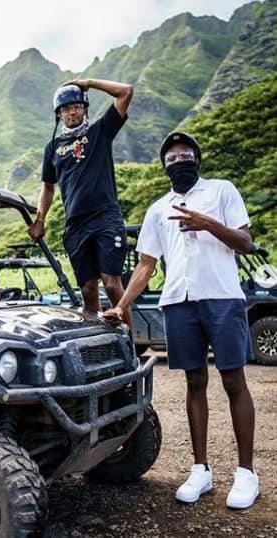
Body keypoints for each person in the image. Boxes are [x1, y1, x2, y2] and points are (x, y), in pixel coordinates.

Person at [103, 132, 259, 509]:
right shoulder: (158, 209)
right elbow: (145, 266)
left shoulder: (222, 192)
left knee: (234, 380)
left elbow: (246, 242)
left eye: (185, 155)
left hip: (222, 297)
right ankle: (200, 469)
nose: (179, 161)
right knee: (194, 381)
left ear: (197, 159)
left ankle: (246, 473)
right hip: (178, 302)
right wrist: (121, 305)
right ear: (165, 167)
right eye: (171, 159)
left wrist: (208, 224)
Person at [28, 78, 134, 333]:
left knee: (111, 284)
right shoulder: (53, 148)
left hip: (105, 217)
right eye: (65, 109)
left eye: (75, 106)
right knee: (88, 291)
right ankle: (97, 348)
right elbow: (48, 187)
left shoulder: (100, 132)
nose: (71, 112)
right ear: (59, 115)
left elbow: (125, 93)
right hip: (75, 226)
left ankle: (129, 347)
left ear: (84, 108)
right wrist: (40, 220)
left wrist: (88, 83)